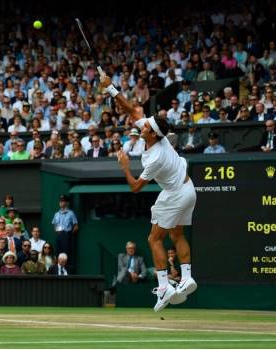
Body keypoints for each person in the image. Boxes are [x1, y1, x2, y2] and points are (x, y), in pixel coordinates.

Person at [100, 73, 196, 311]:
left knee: (154, 239)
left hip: (174, 194)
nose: (142, 125)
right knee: (177, 235)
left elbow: (135, 188)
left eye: (147, 126)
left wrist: (124, 167)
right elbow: (131, 110)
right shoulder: (154, 135)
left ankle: (164, 288)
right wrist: (109, 87)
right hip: (188, 189)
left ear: (152, 134)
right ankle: (187, 278)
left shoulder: (154, 158)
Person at [51, 195, 78, 272]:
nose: (61, 203)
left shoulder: (71, 213)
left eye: (63, 201)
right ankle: (58, 271)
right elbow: (54, 225)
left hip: (67, 235)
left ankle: (66, 271)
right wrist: (57, 231)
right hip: (59, 234)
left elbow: (76, 226)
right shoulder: (56, 214)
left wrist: (69, 234)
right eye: (60, 201)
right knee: (58, 252)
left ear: (66, 203)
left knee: (67, 253)